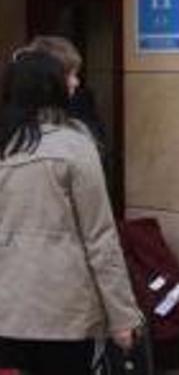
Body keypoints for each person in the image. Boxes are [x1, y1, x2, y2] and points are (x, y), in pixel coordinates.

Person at [0, 51, 141, 375]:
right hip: (63, 313)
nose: (75, 81)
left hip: (7, 312)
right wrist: (122, 317)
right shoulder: (74, 146)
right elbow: (100, 238)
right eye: (68, 76)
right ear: (52, 88)